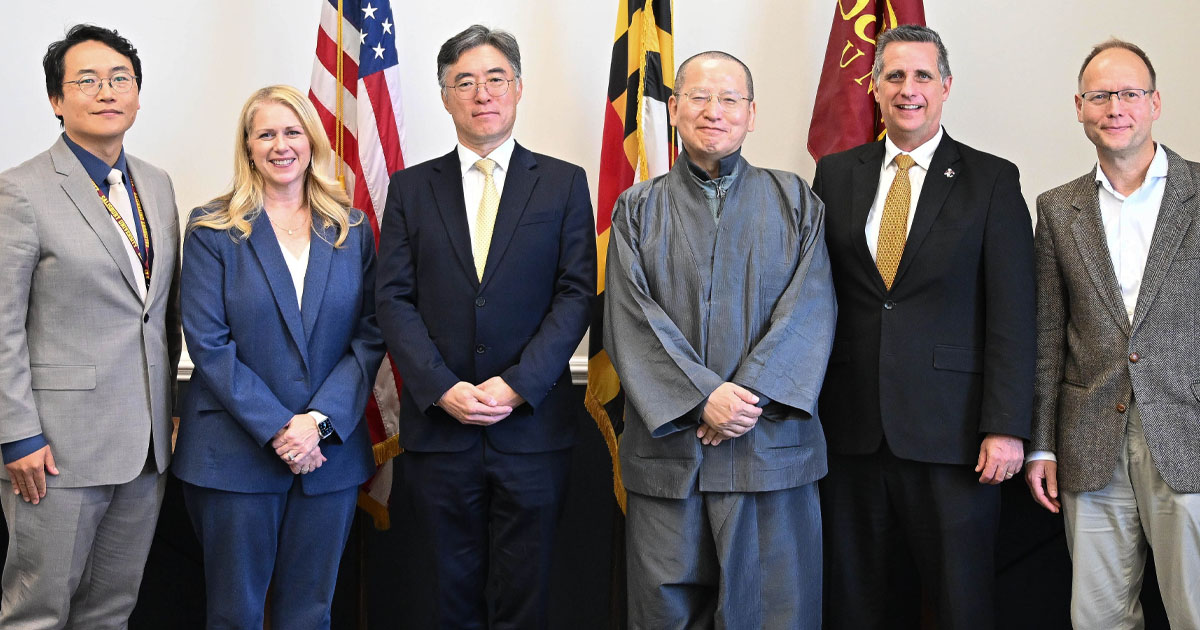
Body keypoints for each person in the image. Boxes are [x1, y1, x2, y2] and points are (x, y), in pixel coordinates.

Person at [812, 24, 1035, 629]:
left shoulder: (992, 180)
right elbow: (815, 299)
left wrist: (1008, 428)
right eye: (894, 76)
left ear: (945, 87)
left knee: (960, 606)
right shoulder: (835, 175)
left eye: (922, 76)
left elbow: (1015, 314)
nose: (908, 89)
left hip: (956, 438)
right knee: (854, 604)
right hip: (851, 433)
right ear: (875, 89)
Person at [605, 50, 836, 629]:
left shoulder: (796, 201)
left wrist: (745, 396)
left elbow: (811, 310)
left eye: (730, 99)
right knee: (664, 613)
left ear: (752, 114)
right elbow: (630, 318)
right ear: (675, 107)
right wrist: (703, 398)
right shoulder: (636, 208)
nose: (715, 111)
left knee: (775, 613)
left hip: (770, 454)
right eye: (700, 97)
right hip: (671, 458)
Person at [375, 25, 594, 629]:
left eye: (496, 79)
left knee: (529, 597)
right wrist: (441, 386)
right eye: (463, 82)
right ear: (444, 97)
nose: (482, 94)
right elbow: (392, 299)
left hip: (532, 431)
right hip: (439, 432)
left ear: (518, 89)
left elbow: (576, 296)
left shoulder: (564, 183)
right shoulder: (411, 188)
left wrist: (518, 384)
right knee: (445, 598)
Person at [172, 85, 384, 630]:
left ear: (312, 142)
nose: (280, 145)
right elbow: (208, 344)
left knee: (309, 613)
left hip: (327, 455)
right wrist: (280, 429)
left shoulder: (351, 230)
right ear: (247, 146)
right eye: (266, 133)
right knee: (234, 614)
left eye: (292, 132)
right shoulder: (211, 228)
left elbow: (369, 336)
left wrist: (317, 423)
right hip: (234, 454)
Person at [0, 24, 181, 628]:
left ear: (137, 94)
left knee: (111, 611)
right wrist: (17, 434)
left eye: (120, 79)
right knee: (38, 612)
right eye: (86, 81)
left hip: (146, 446)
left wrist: (170, 406)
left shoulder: (156, 185)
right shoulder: (20, 192)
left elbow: (161, 310)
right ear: (56, 100)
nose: (106, 91)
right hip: (54, 449)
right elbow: (3, 326)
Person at [1025, 39, 1200, 628]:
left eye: (1128, 93)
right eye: (1100, 96)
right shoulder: (1056, 208)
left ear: (1155, 102)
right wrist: (1042, 443)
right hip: (1089, 443)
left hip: (1189, 435)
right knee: (1098, 617)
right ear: (1079, 107)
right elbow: (1048, 335)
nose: (1115, 107)